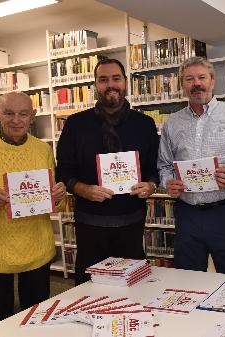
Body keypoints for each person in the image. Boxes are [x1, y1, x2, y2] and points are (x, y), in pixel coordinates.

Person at [0, 92, 66, 326]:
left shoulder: (43, 150)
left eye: (23, 114)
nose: (16, 120)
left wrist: (59, 197)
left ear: (32, 116)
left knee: (36, 324)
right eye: (9, 113)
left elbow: (56, 205)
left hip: (36, 252)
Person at [56, 58, 159, 285]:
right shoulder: (75, 124)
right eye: (103, 80)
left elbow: (155, 168)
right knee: (90, 286)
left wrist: (151, 184)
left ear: (125, 82)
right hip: (90, 223)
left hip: (131, 222)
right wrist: (83, 189)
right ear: (95, 85)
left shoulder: (145, 124)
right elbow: (62, 170)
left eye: (116, 78)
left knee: (133, 285)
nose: (110, 85)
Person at [157, 56, 225, 275]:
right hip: (187, 213)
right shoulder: (172, 123)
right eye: (189, 79)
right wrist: (168, 182)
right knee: (188, 279)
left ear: (212, 81)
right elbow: (164, 165)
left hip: (224, 212)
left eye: (201, 77)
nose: (196, 83)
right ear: (182, 85)